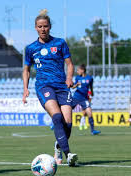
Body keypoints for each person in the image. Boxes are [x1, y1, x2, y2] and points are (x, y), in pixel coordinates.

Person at [22, 9, 78, 166]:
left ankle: (58, 146)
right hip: (43, 86)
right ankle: (68, 154)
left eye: (45, 26)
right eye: (39, 27)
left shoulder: (60, 43)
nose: (43, 29)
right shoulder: (31, 48)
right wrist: (25, 89)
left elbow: (70, 64)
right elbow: (26, 70)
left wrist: (68, 78)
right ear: (35, 28)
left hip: (62, 86)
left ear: (50, 26)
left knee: (68, 123)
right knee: (57, 117)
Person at [71, 64, 101, 135]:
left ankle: (93, 130)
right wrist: (76, 85)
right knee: (67, 109)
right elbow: (73, 87)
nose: (77, 71)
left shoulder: (89, 78)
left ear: (82, 70)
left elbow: (91, 87)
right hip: (76, 97)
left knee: (89, 112)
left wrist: (92, 93)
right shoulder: (77, 78)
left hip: (84, 99)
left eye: (78, 70)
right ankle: (56, 124)